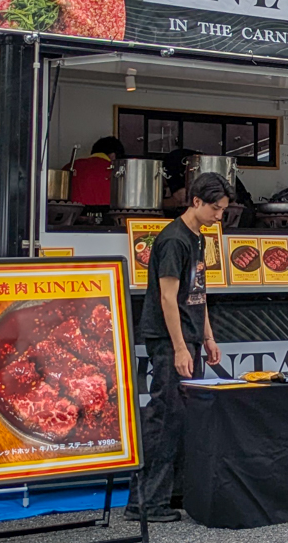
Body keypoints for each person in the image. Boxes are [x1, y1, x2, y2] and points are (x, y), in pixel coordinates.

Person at [128, 172, 230, 522]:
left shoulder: (197, 237)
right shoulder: (173, 240)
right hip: (170, 338)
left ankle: (170, 494)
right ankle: (145, 502)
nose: (219, 216)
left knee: (182, 417)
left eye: (223, 210)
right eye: (215, 208)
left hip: (188, 335)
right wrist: (181, 348)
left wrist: (208, 337)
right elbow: (168, 298)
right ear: (196, 201)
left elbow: (197, 293)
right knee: (165, 416)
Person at [67, 135, 124, 207]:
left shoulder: (70, 166)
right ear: (113, 155)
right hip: (107, 214)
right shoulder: (118, 171)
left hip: (72, 214)